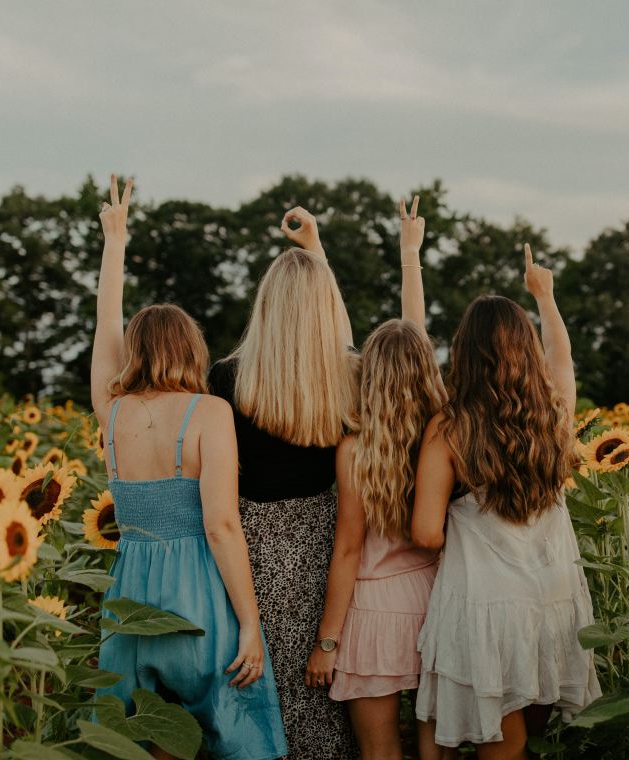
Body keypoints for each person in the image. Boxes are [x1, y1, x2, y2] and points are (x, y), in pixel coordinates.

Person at [91, 175, 287, 760]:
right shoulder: (209, 413)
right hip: (198, 593)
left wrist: (115, 243)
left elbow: (105, 328)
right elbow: (222, 525)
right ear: (192, 350)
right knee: (236, 732)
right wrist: (250, 624)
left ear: (136, 351)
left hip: (130, 593)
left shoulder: (114, 412)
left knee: (149, 734)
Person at [411, 245, 602, 758]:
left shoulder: (449, 428)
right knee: (532, 730)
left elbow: (427, 532)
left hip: (487, 602)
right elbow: (562, 359)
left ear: (464, 352)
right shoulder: (553, 414)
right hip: (552, 592)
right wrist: (546, 295)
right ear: (526, 350)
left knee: (503, 743)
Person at [303, 197, 455, 760]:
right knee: (439, 747)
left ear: (368, 371)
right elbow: (412, 336)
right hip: (438, 598)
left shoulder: (355, 450)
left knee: (378, 753)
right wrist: (410, 255)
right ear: (425, 370)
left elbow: (347, 550)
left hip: (372, 610)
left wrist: (327, 642)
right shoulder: (443, 435)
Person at [208, 207, 359, 758]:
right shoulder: (344, 380)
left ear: (264, 306)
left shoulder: (228, 378)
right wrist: (317, 252)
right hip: (324, 550)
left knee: (252, 697)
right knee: (318, 701)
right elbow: (340, 337)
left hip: (247, 553)